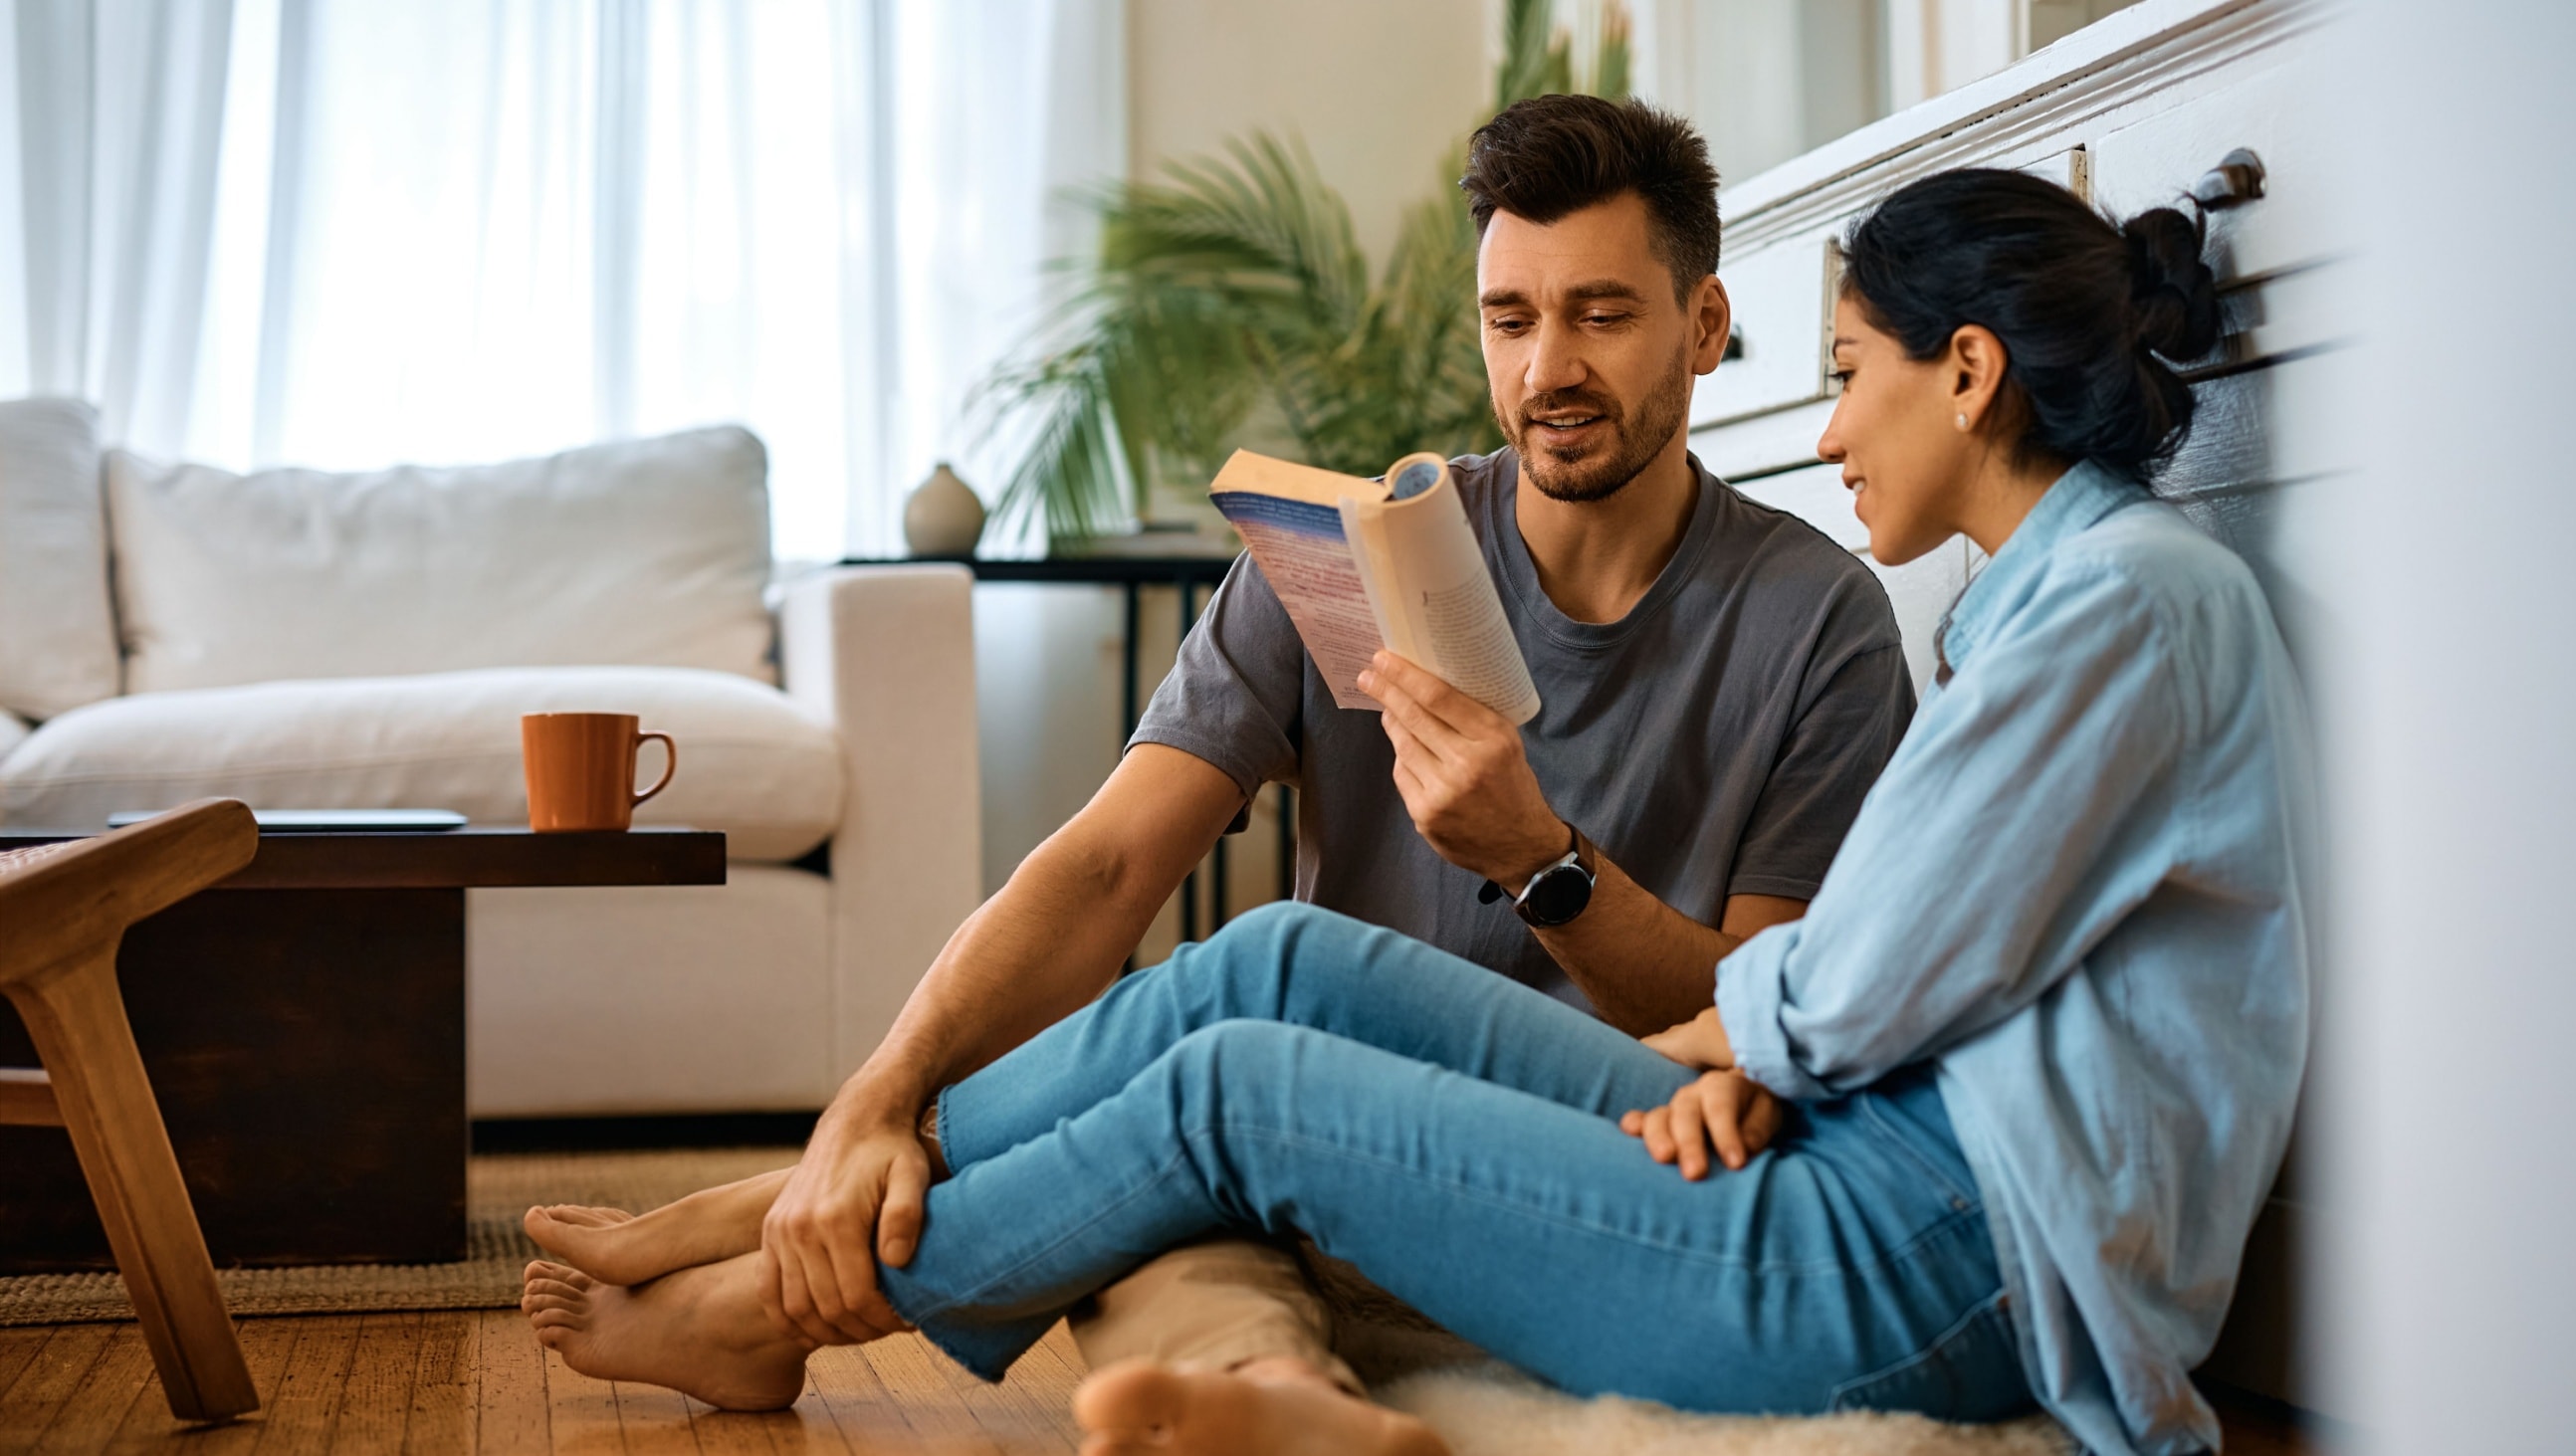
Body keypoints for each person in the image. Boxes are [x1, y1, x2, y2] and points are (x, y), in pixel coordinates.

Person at [523, 164, 2310, 1456]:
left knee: (1228, 1099)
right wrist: (875, 1099)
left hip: (1922, 1234)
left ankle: (779, 1293)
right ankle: (803, 1210)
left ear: (1964, 370)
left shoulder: (2071, 607)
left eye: (1848, 373)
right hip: (1838, 1154)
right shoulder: (2041, 600)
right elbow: (1113, 862)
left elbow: (1850, 979)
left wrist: (1600, 919)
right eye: (1511, 318)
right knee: (1275, 960)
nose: (1832, 427)